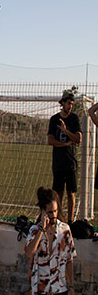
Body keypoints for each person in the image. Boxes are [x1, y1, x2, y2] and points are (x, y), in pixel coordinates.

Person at [49, 89, 83, 222]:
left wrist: (65, 131)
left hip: (71, 162)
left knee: (71, 194)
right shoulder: (54, 119)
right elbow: (50, 140)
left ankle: (70, 222)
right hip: (58, 162)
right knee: (58, 194)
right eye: (68, 103)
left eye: (72, 104)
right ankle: (59, 220)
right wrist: (64, 144)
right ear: (62, 103)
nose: (70, 106)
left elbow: (78, 139)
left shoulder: (74, 119)